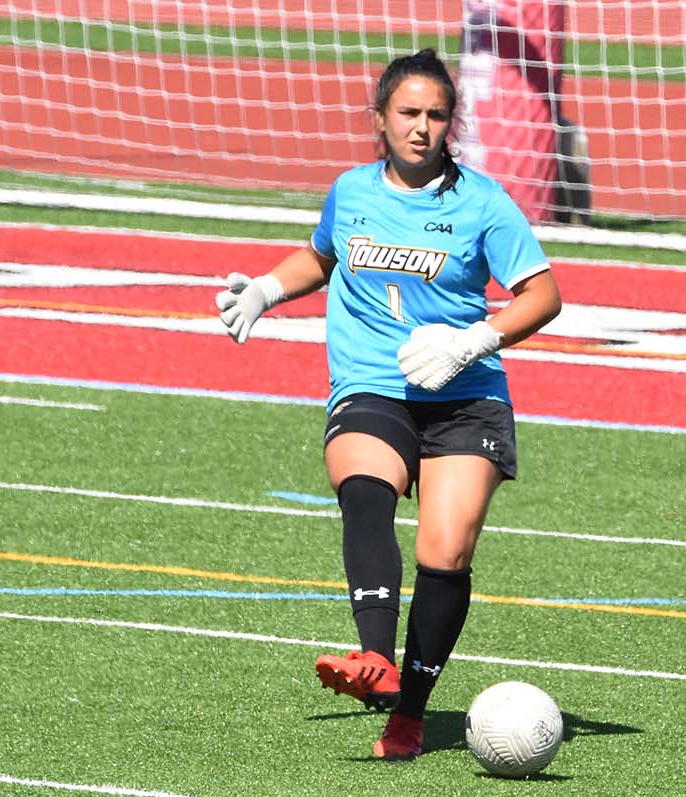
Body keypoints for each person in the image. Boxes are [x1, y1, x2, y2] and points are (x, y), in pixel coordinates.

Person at [215, 48, 562, 760]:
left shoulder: (483, 204)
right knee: (362, 485)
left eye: (436, 115)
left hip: (463, 397)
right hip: (373, 384)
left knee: (446, 549)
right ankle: (374, 658)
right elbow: (321, 255)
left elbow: (543, 296)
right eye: (408, 113)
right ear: (379, 118)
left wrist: (473, 341)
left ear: (450, 124)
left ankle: (407, 711)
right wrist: (264, 289)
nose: (421, 127)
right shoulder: (350, 191)